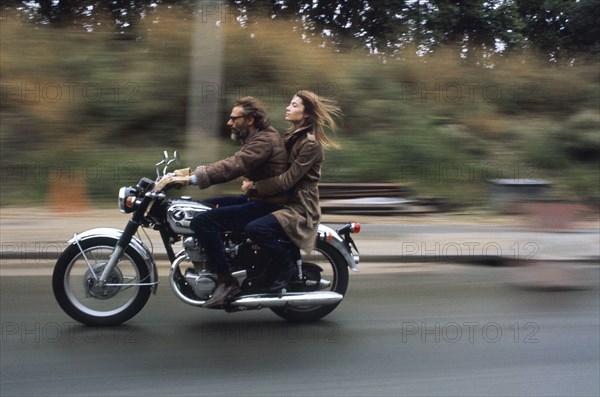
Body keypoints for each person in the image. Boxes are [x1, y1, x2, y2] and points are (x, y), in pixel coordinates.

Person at [156, 96, 288, 307]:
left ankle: (227, 281)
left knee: (202, 221)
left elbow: (234, 165)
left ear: (250, 119)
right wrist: (186, 173)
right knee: (203, 206)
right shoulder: (258, 138)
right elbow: (231, 162)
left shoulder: (264, 140)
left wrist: (191, 179)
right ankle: (223, 257)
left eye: (234, 118)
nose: (229, 122)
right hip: (257, 198)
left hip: (266, 204)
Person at [242, 90, 342, 292]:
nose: (288, 107)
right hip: (282, 199)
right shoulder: (291, 137)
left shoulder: (310, 144)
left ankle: (284, 266)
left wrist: (255, 186)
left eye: (295, 105)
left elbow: (287, 180)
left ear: (306, 114)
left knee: (256, 228)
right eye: (290, 103)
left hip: (299, 207)